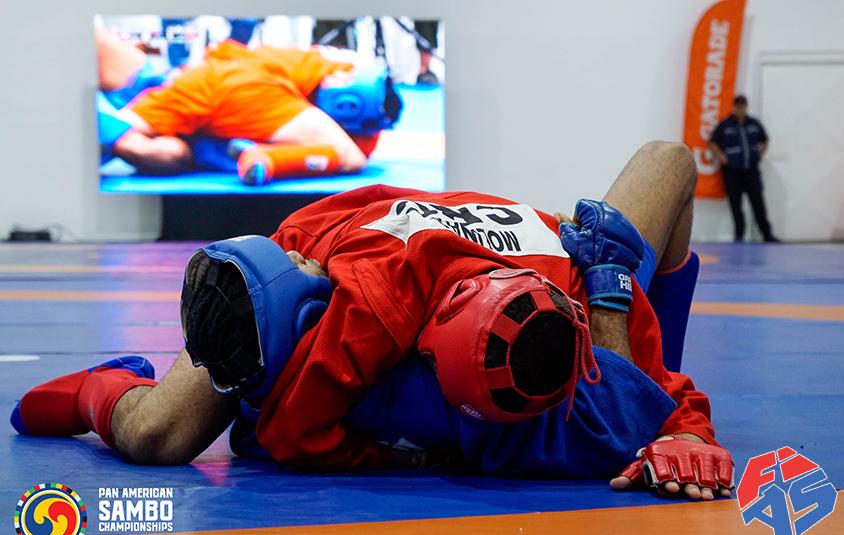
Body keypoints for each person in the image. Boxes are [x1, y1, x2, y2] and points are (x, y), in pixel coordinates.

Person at [11, 142, 732, 500]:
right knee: (159, 434)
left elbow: (669, 398)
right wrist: (672, 427)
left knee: (671, 159)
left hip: (539, 264)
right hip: (327, 250)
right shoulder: (367, 305)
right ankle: (101, 387)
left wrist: (680, 435)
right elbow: (287, 435)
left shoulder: (589, 297)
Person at [106, 39, 400, 183]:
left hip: (203, 77)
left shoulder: (334, 63)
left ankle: (108, 126)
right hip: (239, 89)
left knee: (175, 151)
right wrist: (270, 160)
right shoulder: (269, 95)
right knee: (133, 139)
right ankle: (104, 126)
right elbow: (352, 156)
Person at [709, 95, 779, 242]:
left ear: (746, 107)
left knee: (758, 203)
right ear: (734, 107)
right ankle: (739, 236)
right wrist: (722, 158)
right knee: (736, 205)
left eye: (743, 106)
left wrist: (759, 154)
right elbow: (713, 143)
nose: (740, 109)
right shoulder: (724, 125)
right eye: (738, 106)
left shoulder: (754, 124)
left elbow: (765, 140)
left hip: (751, 171)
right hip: (732, 172)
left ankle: (767, 235)